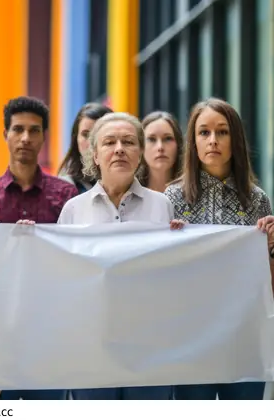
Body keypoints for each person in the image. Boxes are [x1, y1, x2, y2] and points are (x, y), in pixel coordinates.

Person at [58, 112, 184, 400]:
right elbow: (62, 277)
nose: (119, 149)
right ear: (95, 154)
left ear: (140, 153)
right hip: (91, 349)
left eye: (128, 142)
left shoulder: (163, 206)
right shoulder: (73, 210)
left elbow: (172, 274)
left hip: (148, 349)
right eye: (109, 142)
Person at [164, 98, 273, 400]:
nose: (213, 140)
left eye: (222, 132)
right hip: (189, 335)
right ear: (193, 140)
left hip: (243, 335)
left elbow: (265, 275)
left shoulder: (257, 200)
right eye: (204, 132)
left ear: (235, 139)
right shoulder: (171, 197)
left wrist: (271, 246)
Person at [0, 96, 76, 400]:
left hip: (49, 330)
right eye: (18, 129)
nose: (26, 138)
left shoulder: (66, 195)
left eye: (34, 130)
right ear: (5, 135)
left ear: (44, 136)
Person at [57, 103, 113, 193]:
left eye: (99, 134)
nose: (91, 143)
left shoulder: (133, 183)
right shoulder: (63, 188)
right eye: (85, 135)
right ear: (76, 139)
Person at [137, 111, 183, 192]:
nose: (160, 147)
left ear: (178, 144)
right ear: (141, 146)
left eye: (168, 138)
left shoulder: (193, 193)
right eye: (151, 139)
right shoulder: (128, 193)